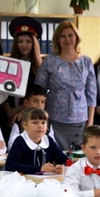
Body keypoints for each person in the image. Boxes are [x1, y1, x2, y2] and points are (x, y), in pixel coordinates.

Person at [36, 21, 96, 152]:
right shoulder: (49, 61)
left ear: (76, 37)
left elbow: (92, 94)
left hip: (80, 119)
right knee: (56, 156)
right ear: (57, 39)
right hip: (54, 118)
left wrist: (90, 123)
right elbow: (39, 90)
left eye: (70, 35)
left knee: (78, 157)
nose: (67, 39)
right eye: (63, 36)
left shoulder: (86, 61)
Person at [4, 108, 67, 175]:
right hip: (24, 179)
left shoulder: (48, 140)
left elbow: (64, 159)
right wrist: (39, 169)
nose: (40, 126)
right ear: (25, 125)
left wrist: (63, 167)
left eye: (43, 123)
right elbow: (10, 165)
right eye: (35, 123)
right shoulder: (20, 141)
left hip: (46, 179)